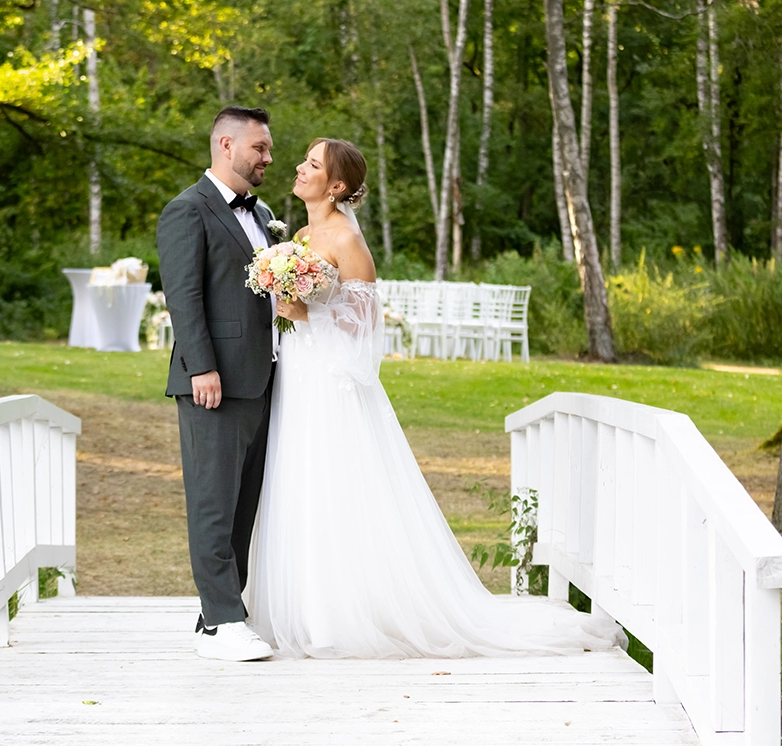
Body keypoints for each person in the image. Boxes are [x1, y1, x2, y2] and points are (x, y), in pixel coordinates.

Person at [244, 138, 626, 658]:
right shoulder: (305, 234)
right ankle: (309, 609)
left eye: (312, 163)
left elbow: (365, 326)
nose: (298, 166)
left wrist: (304, 313)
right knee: (300, 480)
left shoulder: (346, 239)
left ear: (336, 185)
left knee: (336, 482)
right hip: (301, 375)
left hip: (333, 385)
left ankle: (345, 616)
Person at [156, 106, 280, 662]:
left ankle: (218, 616)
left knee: (244, 504)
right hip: (215, 380)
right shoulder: (187, 210)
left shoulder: (265, 213)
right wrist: (202, 366)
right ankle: (225, 618)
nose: (268, 159)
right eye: (260, 148)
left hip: (265, 377)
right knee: (213, 501)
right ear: (226, 146)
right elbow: (184, 297)